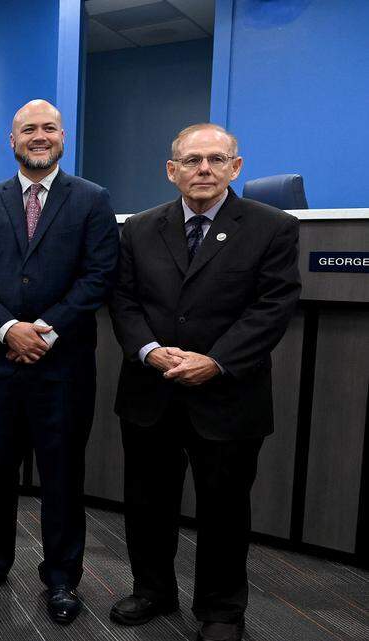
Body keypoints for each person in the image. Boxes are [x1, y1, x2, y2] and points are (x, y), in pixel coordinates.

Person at [108, 124, 300, 641]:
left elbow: (273, 307)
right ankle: (153, 591)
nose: (204, 170)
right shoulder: (140, 228)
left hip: (228, 396)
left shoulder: (272, 227)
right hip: (150, 391)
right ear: (172, 171)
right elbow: (123, 300)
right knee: (147, 503)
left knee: (224, 510)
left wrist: (215, 362)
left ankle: (221, 611)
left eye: (216, 159)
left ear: (236, 168)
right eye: (192, 161)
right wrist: (149, 351)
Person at [0, 99, 119, 624]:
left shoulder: (92, 198)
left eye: (48, 128)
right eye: (28, 129)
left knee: (62, 478)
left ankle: (62, 578)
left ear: (63, 137)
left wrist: (44, 330)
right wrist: (8, 329)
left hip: (62, 367)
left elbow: (98, 275)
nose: (38, 136)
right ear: (12, 140)